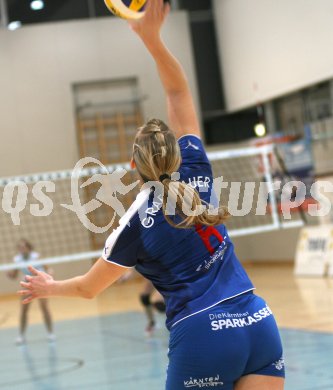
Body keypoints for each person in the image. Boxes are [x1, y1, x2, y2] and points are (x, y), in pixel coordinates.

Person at [18, 1, 285, 388]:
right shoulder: (197, 169)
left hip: (203, 334)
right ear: (178, 151)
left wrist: (49, 287)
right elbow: (178, 94)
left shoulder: (136, 223)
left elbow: (89, 289)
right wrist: (153, 41)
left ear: (132, 165)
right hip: (259, 322)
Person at [8, 239, 55, 345]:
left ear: (29, 248)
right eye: (20, 247)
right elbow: (14, 275)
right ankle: (21, 336)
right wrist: (9, 274)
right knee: (24, 310)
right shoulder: (17, 259)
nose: (22, 249)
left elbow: (48, 269)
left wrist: (50, 274)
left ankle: (50, 333)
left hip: (40, 284)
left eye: (23, 247)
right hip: (28, 284)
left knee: (44, 308)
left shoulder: (36, 256)